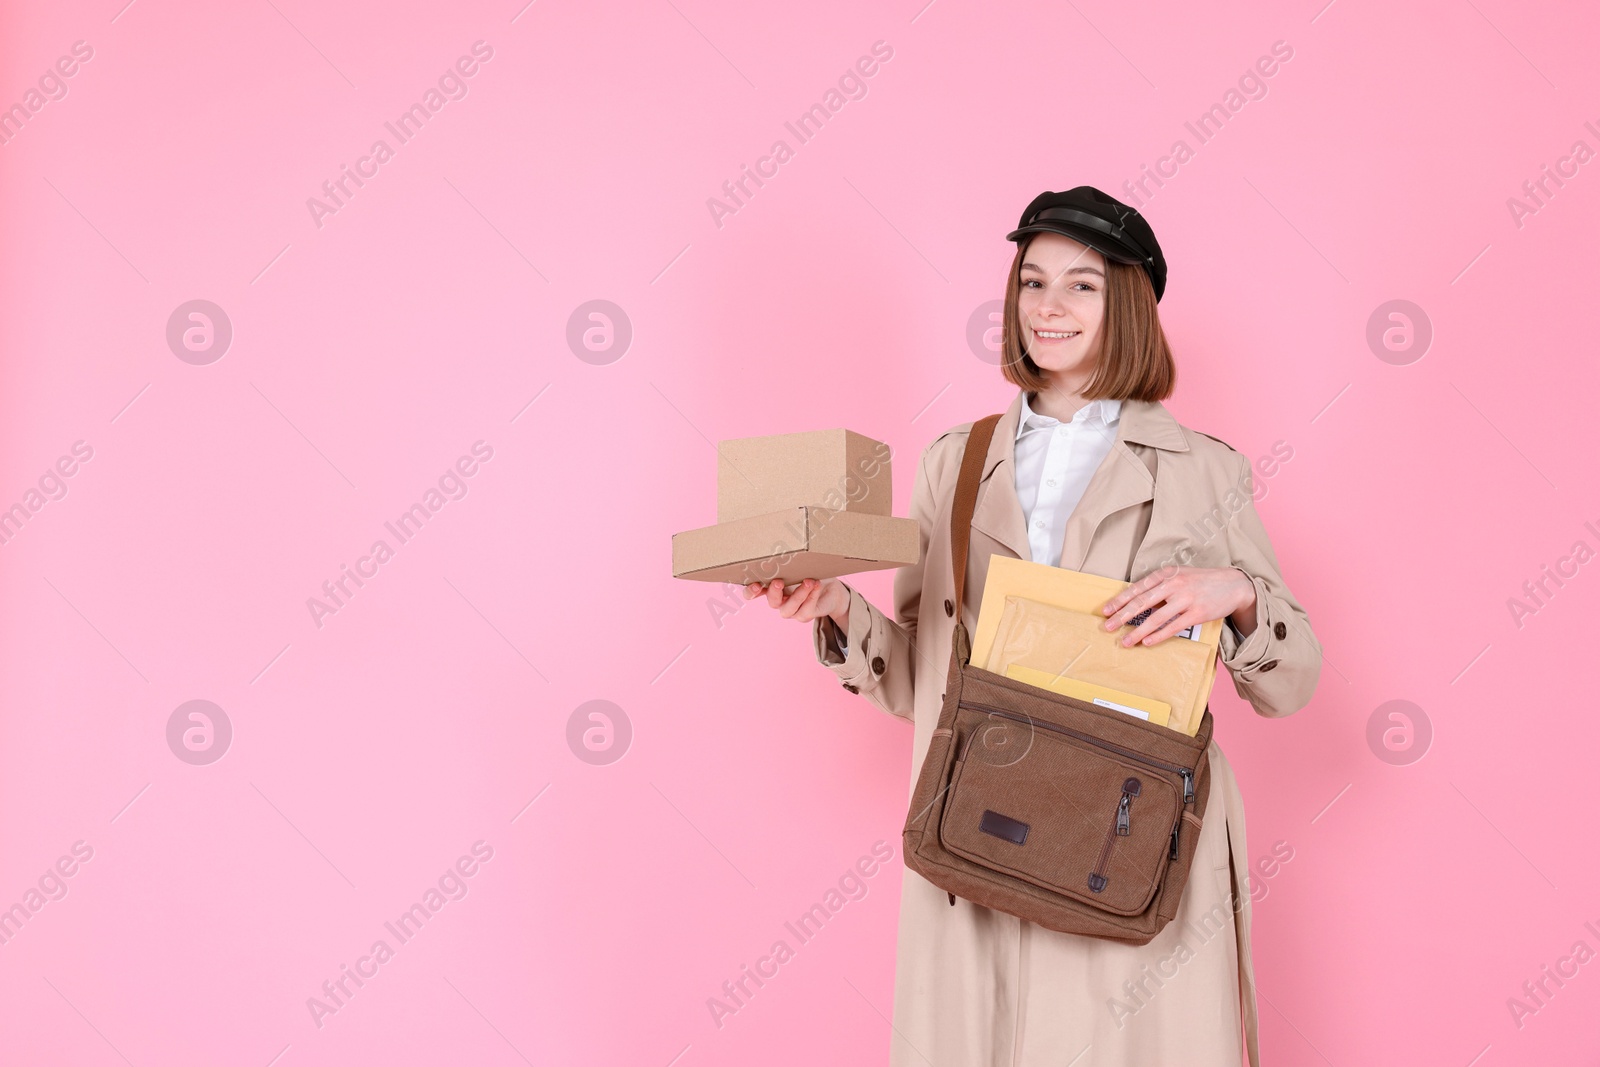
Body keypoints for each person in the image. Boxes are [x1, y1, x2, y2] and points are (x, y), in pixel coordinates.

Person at [745, 186, 1320, 1067]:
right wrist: (832, 609)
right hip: (983, 829)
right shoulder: (956, 460)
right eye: (1033, 281)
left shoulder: (1205, 471)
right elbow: (920, 679)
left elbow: (1294, 680)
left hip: (1132, 835)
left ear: (1126, 303)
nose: (1049, 307)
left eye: (1082, 286)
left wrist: (1235, 592)